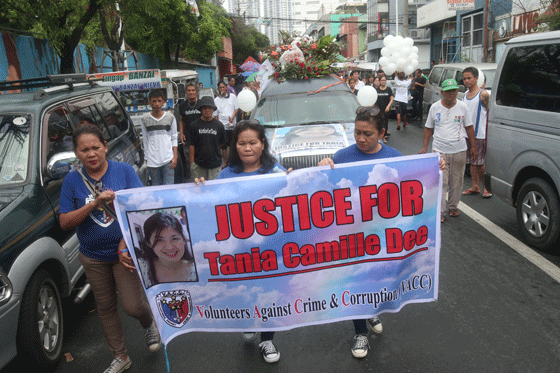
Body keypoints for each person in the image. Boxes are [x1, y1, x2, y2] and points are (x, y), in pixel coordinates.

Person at [59, 124, 161, 373]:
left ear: (105, 147)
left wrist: (126, 242)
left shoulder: (124, 171)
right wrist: (94, 203)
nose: (91, 154)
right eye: (84, 150)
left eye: (96, 147)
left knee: (132, 306)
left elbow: (143, 209)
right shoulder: (72, 181)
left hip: (123, 254)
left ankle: (149, 323)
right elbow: (64, 222)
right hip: (92, 256)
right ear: (76, 153)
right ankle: (120, 356)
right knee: (105, 309)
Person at [195, 120, 290, 364]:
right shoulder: (226, 175)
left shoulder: (276, 172)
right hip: (239, 249)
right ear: (234, 146)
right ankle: (248, 319)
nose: (247, 148)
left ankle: (267, 340)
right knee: (246, 289)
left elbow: (294, 200)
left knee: (269, 292)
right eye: (241, 143)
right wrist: (200, 190)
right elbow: (210, 208)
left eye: (252, 143)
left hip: (271, 248)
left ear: (263, 144)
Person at [317, 106, 398, 359]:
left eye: (368, 134)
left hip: (380, 234)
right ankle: (360, 332)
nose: (361, 139)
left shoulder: (395, 156)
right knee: (355, 280)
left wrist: (435, 165)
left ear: (382, 133)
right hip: (350, 234)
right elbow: (324, 191)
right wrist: (323, 167)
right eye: (357, 133)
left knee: (373, 278)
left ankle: (370, 310)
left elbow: (411, 186)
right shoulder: (342, 156)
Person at [420, 78, 476, 222]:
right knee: (441, 182)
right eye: (448, 91)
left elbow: (469, 127)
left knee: (456, 182)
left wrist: (473, 147)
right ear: (442, 92)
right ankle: (440, 211)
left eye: (454, 91)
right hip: (439, 150)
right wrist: (425, 146)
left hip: (459, 150)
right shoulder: (435, 107)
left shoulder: (463, 107)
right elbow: (428, 128)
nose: (452, 94)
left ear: (457, 91)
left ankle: (453, 206)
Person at [139, 212, 198, 286]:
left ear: (183, 239)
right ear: (149, 244)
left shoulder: (197, 269)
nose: (169, 247)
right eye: (159, 240)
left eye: (174, 238)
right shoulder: (141, 268)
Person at [461, 67, 492, 198]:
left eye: (469, 78)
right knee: (471, 161)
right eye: (464, 79)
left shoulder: (483, 94)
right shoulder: (464, 96)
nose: (467, 81)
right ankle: (475, 186)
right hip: (467, 134)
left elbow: (491, 112)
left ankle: (486, 188)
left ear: (476, 78)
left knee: (479, 162)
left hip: (479, 134)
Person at [141, 89, 178, 185]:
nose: (157, 104)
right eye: (154, 101)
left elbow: (174, 137)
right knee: (156, 190)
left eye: (159, 101)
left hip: (168, 160)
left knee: (169, 189)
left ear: (163, 102)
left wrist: (175, 157)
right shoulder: (145, 119)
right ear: (149, 103)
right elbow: (145, 140)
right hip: (152, 161)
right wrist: (146, 159)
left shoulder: (170, 117)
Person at [188, 96, 227, 181]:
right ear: (201, 109)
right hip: (199, 165)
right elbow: (191, 145)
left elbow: (222, 145)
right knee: (199, 190)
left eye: (210, 108)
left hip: (215, 165)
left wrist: (224, 161)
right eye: (204, 108)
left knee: (214, 191)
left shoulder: (219, 125)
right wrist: (192, 163)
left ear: (213, 109)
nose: (207, 110)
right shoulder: (194, 125)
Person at [178, 83, 201, 182]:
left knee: (200, 159)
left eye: (193, 90)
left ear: (196, 92)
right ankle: (193, 180)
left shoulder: (201, 104)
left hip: (201, 137)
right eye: (189, 90)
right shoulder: (182, 105)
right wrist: (181, 134)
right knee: (189, 161)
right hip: (188, 138)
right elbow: (181, 120)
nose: (191, 92)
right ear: (186, 92)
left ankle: (201, 179)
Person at [214, 81, 239, 147]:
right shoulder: (216, 100)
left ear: (226, 87)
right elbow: (216, 115)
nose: (222, 89)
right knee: (223, 146)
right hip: (222, 126)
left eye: (223, 87)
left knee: (232, 145)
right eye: (220, 88)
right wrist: (218, 126)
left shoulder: (232, 96)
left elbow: (236, 108)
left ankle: (231, 157)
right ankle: (224, 158)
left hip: (231, 126)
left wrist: (232, 117)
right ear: (218, 89)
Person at [375, 76, 394, 143]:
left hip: (386, 109)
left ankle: (383, 136)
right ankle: (380, 136)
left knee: (385, 123)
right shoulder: (377, 90)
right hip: (379, 110)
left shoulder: (388, 89)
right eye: (382, 80)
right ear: (380, 81)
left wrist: (388, 106)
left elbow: (391, 99)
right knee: (380, 123)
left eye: (385, 80)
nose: (384, 82)